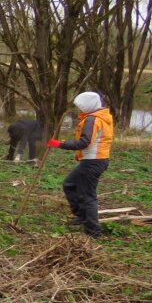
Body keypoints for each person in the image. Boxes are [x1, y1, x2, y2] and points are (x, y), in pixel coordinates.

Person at [46, 91, 114, 238]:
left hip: (93, 161)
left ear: (88, 105)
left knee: (88, 195)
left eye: (81, 106)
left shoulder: (92, 120)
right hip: (96, 160)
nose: (79, 109)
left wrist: (60, 144)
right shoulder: (100, 117)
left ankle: (93, 231)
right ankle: (81, 216)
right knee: (70, 184)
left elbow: (84, 142)